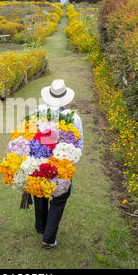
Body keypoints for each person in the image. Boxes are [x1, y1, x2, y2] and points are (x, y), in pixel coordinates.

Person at [33, 79, 83, 249]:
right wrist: (72, 163)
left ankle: (41, 226)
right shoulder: (74, 117)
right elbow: (79, 144)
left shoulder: (38, 112)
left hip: (40, 160)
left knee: (40, 191)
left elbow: (29, 136)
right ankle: (48, 238)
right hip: (62, 163)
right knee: (59, 197)